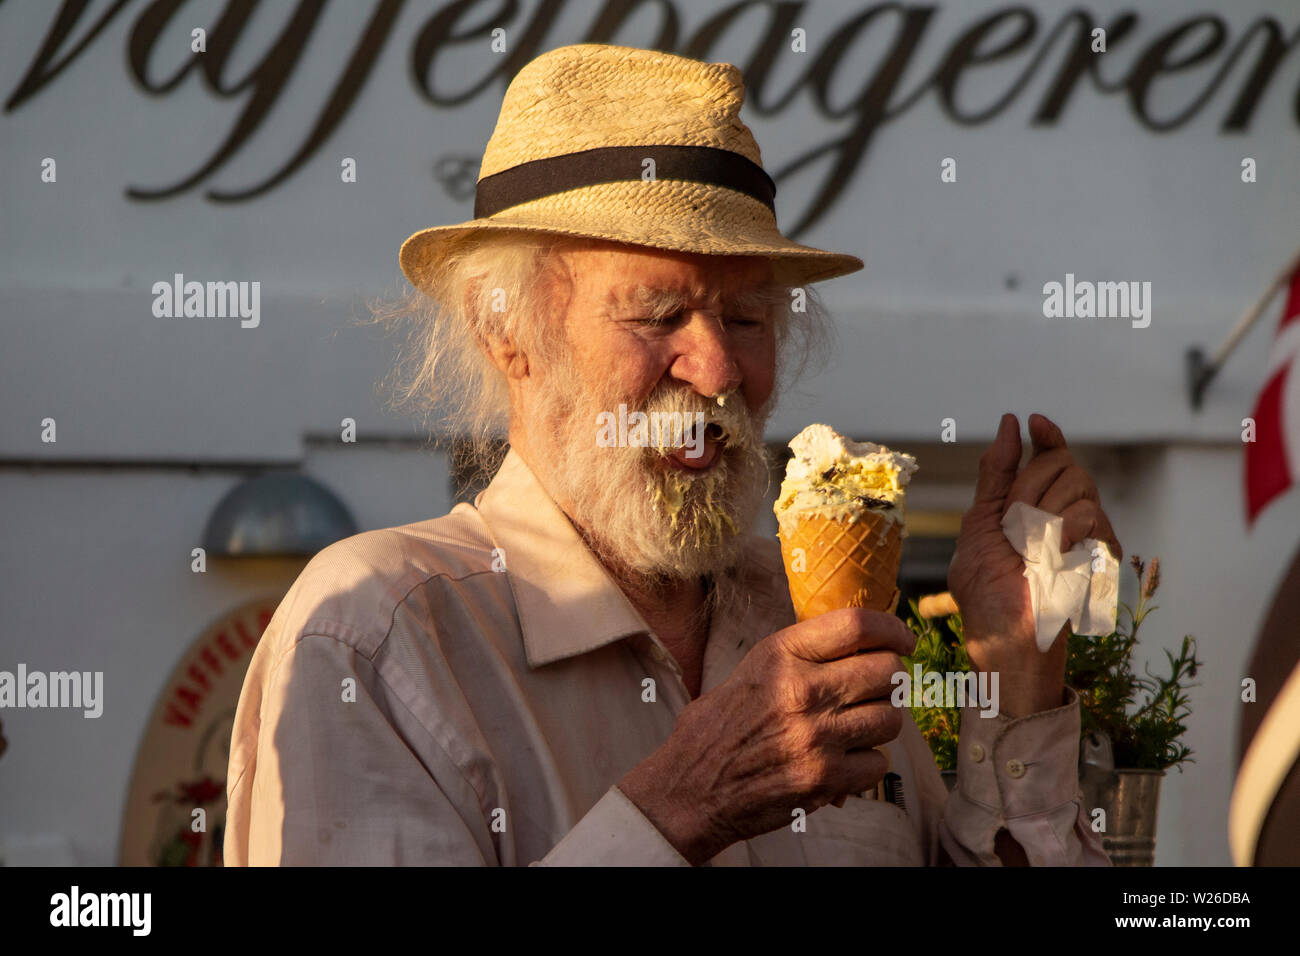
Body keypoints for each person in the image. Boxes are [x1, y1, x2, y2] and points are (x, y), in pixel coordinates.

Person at [224, 43, 1120, 866]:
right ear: (505, 329)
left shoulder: (808, 625)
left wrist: (1018, 668)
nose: (720, 368)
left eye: (747, 318)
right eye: (656, 316)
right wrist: (679, 807)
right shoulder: (378, 638)